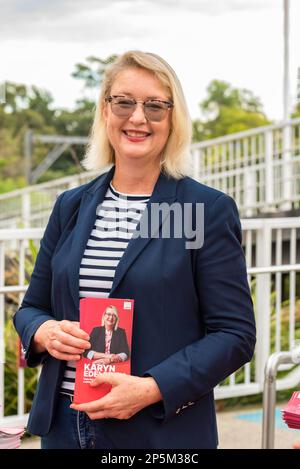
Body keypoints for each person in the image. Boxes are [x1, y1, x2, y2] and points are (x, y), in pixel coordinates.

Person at [13, 50, 256, 449]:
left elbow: (234, 334)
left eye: (155, 106)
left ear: (173, 119)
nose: (138, 117)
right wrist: (43, 331)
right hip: (65, 426)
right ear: (105, 111)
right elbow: (31, 308)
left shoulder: (202, 211)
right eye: (124, 102)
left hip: (156, 431)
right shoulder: (71, 206)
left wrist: (151, 388)